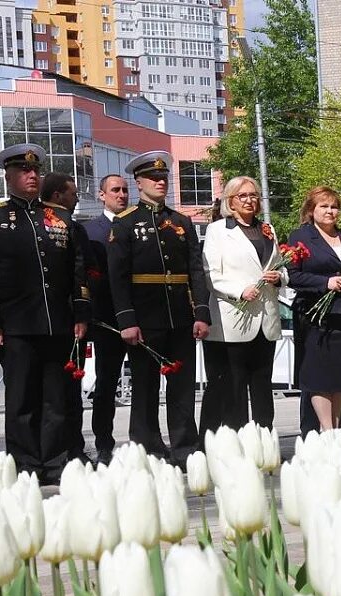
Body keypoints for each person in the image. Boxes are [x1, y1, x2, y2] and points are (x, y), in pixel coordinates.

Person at [0, 144, 90, 485]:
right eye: (24, 171)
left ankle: (54, 462)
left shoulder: (59, 217)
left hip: (57, 322)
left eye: (36, 170)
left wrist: (80, 313)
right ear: (8, 176)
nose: (32, 176)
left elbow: (77, 271)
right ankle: (25, 464)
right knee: (22, 399)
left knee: (56, 399)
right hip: (16, 325)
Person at [108, 151, 211, 465]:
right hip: (145, 316)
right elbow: (118, 275)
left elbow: (195, 270)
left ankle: (185, 449)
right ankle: (147, 447)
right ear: (138, 183)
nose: (160, 182)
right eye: (153, 178)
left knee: (181, 387)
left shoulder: (180, 222)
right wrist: (126, 320)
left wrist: (201, 312)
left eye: (163, 177)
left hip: (179, 315)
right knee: (145, 387)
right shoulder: (126, 223)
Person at [201, 175, 283, 431]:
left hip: (266, 320)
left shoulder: (267, 229)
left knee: (262, 385)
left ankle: (264, 439)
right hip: (232, 320)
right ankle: (231, 440)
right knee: (231, 388)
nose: (249, 200)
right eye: (242, 196)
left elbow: (280, 265)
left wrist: (279, 277)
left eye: (253, 195)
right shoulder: (217, 230)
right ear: (230, 201)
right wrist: (239, 290)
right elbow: (210, 274)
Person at [287, 186, 341, 430]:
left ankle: (337, 427)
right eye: (324, 206)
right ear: (311, 210)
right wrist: (326, 283)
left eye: (334, 206)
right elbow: (293, 275)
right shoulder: (299, 237)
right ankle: (326, 428)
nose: (330, 211)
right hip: (315, 318)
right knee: (319, 376)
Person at [41, 172, 94, 464]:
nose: (76, 200)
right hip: (59, 319)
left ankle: (72, 448)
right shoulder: (64, 226)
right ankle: (62, 450)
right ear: (59, 195)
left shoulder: (71, 226)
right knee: (59, 393)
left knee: (69, 391)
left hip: (69, 319)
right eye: (73, 194)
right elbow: (83, 271)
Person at [79, 174, 130, 463]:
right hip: (107, 319)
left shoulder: (137, 224)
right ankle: (103, 442)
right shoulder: (91, 230)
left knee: (145, 385)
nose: (121, 195)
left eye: (124, 190)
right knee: (107, 385)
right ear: (101, 195)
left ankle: (145, 440)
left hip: (138, 317)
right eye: (115, 190)